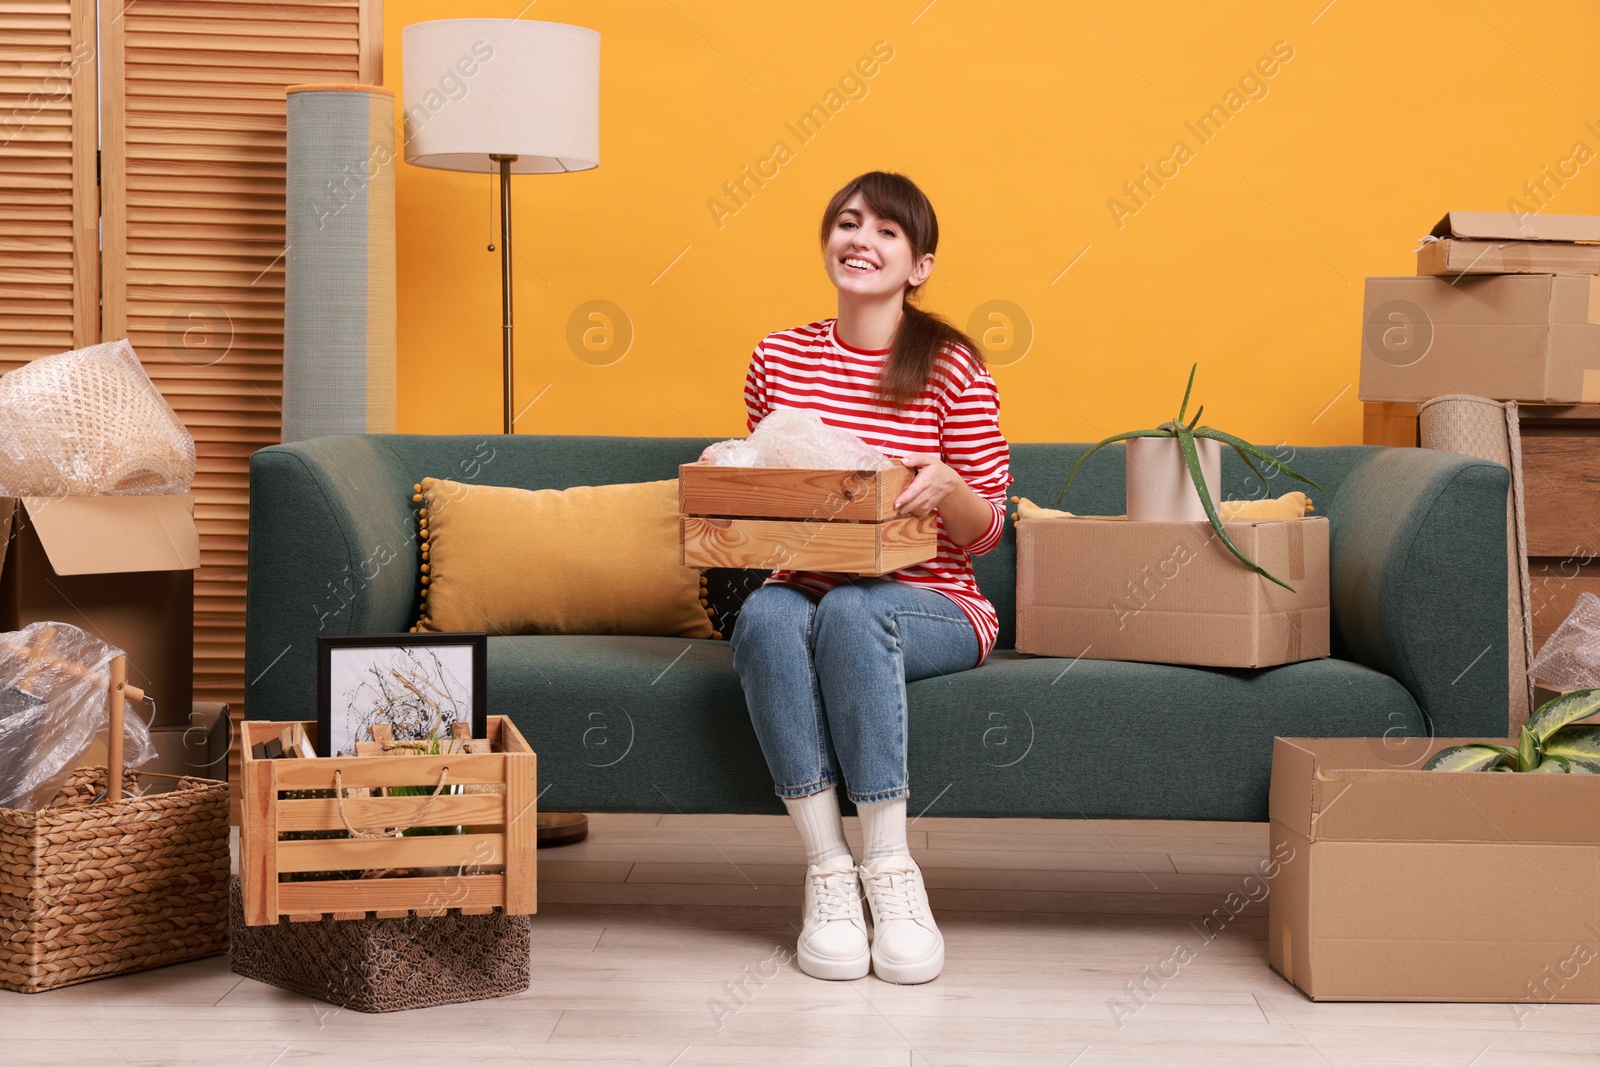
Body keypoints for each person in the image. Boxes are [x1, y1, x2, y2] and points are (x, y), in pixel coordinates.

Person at [727, 171, 1012, 984]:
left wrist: (949, 488)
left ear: (919, 264)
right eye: (848, 223)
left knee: (853, 610)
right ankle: (828, 873)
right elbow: (777, 492)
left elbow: (989, 529)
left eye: (888, 231)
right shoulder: (777, 358)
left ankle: (891, 870)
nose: (862, 239)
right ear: (827, 244)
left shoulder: (950, 366)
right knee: (766, 618)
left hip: (935, 605)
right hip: (804, 587)